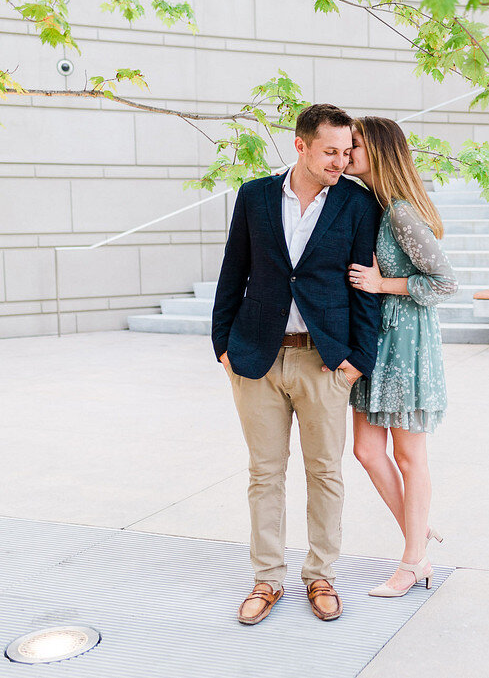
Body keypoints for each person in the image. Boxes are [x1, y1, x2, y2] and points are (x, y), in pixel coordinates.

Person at [212, 104, 382, 625]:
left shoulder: (357, 203)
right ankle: (267, 579)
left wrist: (358, 360)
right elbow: (232, 271)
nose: (341, 159)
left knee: (325, 472)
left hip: (324, 361)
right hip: (256, 358)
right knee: (264, 473)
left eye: (346, 150)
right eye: (330, 151)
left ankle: (321, 575)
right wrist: (222, 344)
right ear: (300, 146)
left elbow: (364, 288)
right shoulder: (255, 196)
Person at [343, 116, 458, 597]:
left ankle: (413, 561)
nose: (345, 154)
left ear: (379, 152)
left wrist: (382, 283)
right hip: (378, 340)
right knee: (367, 450)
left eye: (353, 146)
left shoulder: (400, 213)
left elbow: (445, 282)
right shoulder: (373, 205)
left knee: (410, 456)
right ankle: (419, 534)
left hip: (407, 344)